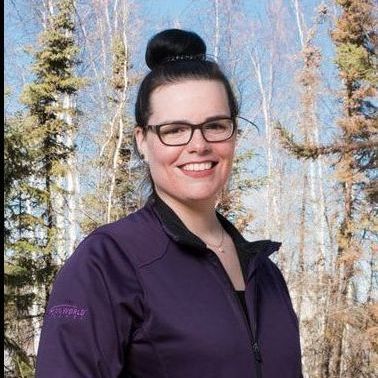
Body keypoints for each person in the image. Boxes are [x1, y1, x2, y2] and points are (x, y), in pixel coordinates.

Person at [36, 29, 302, 377]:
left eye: (216, 125)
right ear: (142, 141)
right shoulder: (107, 262)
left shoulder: (266, 274)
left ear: (234, 134)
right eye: (175, 130)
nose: (199, 145)